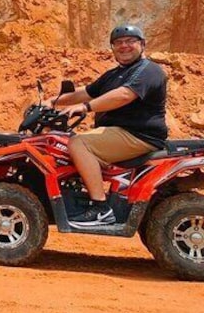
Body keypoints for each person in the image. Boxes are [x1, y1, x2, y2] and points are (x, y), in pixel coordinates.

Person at [53, 24, 167, 227]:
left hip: (138, 135)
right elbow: (85, 92)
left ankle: (101, 209)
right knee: (62, 143)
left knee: (79, 144)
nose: (124, 46)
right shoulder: (115, 74)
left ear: (142, 45)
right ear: (112, 48)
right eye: (118, 43)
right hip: (120, 133)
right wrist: (51, 102)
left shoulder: (149, 70)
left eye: (130, 41)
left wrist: (85, 108)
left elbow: (123, 95)